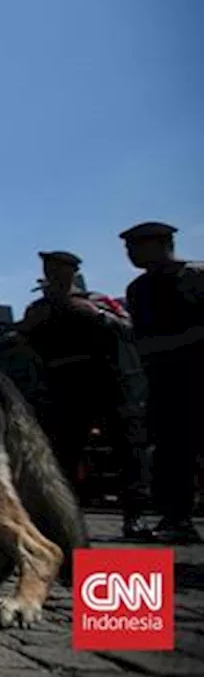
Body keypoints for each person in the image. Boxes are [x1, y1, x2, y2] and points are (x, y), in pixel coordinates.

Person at [16, 251, 153, 539]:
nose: (53, 274)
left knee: (128, 449)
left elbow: (127, 328)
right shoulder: (39, 307)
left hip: (108, 380)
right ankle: (63, 519)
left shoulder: (98, 301)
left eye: (59, 269)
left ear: (72, 271)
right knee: (63, 454)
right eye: (49, 269)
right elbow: (26, 346)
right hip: (64, 384)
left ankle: (135, 516)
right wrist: (29, 326)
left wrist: (97, 315)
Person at [121, 222, 203, 544]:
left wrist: (175, 342)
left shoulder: (195, 278)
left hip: (196, 370)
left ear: (164, 243)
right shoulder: (139, 289)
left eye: (137, 247)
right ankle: (177, 519)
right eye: (128, 249)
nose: (130, 254)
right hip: (164, 376)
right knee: (172, 450)